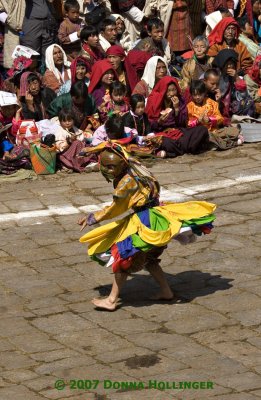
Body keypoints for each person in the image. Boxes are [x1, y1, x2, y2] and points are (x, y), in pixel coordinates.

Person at [78, 142, 216, 310]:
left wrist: (93, 217)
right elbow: (116, 148)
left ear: (120, 164)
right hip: (158, 216)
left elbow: (116, 208)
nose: (108, 171)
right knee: (150, 260)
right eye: (106, 167)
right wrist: (92, 150)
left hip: (146, 222)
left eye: (111, 167)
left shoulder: (126, 183)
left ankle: (111, 300)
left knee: (124, 256)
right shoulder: (135, 166)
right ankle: (166, 291)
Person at [145, 76, 210, 157]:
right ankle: (183, 149)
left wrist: (176, 109)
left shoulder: (180, 100)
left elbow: (183, 123)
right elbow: (148, 123)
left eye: (174, 90)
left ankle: (171, 152)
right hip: (164, 134)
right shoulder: (154, 101)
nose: (172, 93)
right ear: (163, 91)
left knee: (202, 130)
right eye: (168, 91)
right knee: (163, 142)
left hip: (179, 132)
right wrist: (159, 122)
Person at [213, 48, 255, 118]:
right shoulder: (214, 74)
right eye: (227, 64)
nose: (230, 66)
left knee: (249, 102)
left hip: (229, 104)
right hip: (216, 101)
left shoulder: (234, 76)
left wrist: (236, 78)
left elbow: (243, 95)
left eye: (231, 64)